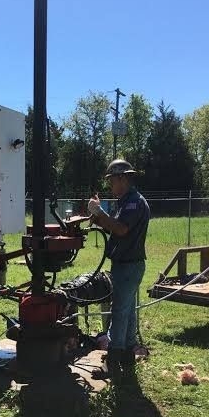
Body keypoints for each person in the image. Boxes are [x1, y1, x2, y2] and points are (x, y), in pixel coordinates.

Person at [88, 159, 150, 382]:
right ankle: (127, 354)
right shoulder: (125, 201)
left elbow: (121, 229)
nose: (110, 186)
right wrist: (98, 215)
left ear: (122, 179)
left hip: (128, 265)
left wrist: (99, 214)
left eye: (112, 181)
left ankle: (112, 362)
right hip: (127, 264)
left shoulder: (133, 202)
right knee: (128, 310)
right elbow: (114, 225)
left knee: (119, 312)